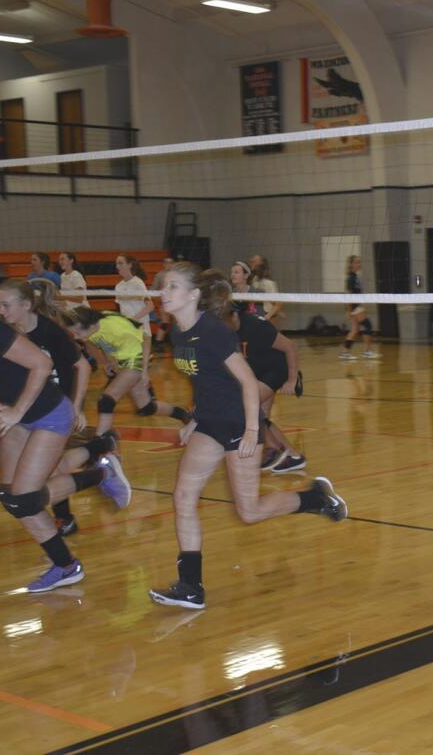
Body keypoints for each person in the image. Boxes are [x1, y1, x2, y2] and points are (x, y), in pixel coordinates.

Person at [149, 263, 347, 610]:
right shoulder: (179, 332)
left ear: (193, 294)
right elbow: (205, 381)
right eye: (164, 286)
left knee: (249, 512)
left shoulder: (213, 331)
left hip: (241, 423)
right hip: (211, 422)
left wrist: (253, 430)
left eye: (173, 286)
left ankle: (315, 498)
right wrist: (194, 420)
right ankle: (190, 586)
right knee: (183, 497)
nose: (164, 292)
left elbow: (246, 382)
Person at [0, 271, 127, 593]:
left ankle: (99, 476)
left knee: (25, 500)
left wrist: (16, 411)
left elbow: (41, 365)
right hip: (19, 417)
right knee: (11, 498)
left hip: (47, 416)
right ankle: (65, 566)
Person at [0, 278, 128, 536]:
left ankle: (71, 510)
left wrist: (75, 407)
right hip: (32, 408)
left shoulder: (51, 332)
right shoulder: (12, 333)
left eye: (5, 304)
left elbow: (83, 366)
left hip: (55, 409)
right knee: (52, 468)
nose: (1, 311)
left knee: (47, 471)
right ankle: (102, 449)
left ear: (26, 303)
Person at [62, 306, 190, 438]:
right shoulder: (92, 328)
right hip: (122, 360)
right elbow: (99, 343)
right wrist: (107, 361)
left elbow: (146, 338)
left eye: (78, 333)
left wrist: (144, 370)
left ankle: (101, 440)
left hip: (136, 359)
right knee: (146, 407)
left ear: (91, 326)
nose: (76, 337)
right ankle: (184, 414)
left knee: (106, 400)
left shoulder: (115, 327)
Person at [224, 304, 306, 474]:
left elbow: (290, 347)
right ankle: (283, 453)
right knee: (261, 416)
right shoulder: (227, 331)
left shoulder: (255, 326)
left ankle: (287, 452)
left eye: (224, 320)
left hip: (276, 370)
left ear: (234, 315)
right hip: (258, 372)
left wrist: (292, 380)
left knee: (247, 408)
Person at [341, 255, 379, 360]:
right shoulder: (351, 278)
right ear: (351, 264)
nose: (359, 264)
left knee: (355, 330)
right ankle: (367, 351)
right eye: (357, 262)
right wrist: (349, 310)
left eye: (359, 262)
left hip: (356, 306)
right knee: (368, 326)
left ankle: (345, 352)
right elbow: (348, 294)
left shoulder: (355, 277)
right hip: (354, 306)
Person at [114, 254, 152, 335]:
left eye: (120, 263)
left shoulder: (137, 283)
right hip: (127, 326)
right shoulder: (118, 286)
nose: (117, 266)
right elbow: (120, 309)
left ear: (129, 265)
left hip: (140, 325)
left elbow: (150, 306)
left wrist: (134, 319)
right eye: (116, 263)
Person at [248, 254, 284, 328]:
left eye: (254, 261)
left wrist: (267, 317)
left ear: (261, 266)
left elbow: (278, 304)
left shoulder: (269, 283)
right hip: (257, 317)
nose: (251, 262)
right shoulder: (254, 280)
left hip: (268, 319)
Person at [150, 256, 174, 351]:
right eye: (167, 263)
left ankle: (176, 341)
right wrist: (159, 298)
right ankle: (158, 342)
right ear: (163, 264)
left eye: (171, 263)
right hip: (166, 302)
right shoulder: (160, 275)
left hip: (177, 302)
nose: (169, 265)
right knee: (165, 322)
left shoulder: (177, 275)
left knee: (178, 322)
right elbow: (153, 289)